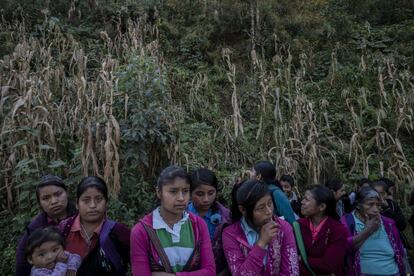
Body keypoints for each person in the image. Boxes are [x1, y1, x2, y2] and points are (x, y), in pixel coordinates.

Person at [130, 166, 215, 275]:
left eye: (185, 191)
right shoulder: (141, 231)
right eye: (173, 191)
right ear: (159, 192)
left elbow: (210, 271)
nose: (181, 198)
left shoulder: (198, 225)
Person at [222, 180, 299, 276]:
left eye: (270, 204)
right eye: (261, 208)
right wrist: (261, 244)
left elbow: (291, 272)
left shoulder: (283, 228)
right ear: (243, 210)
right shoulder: (230, 234)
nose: (269, 211)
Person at [59, 176, 130, 276]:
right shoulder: (64, 228)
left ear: (106, 203)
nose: (92, 205)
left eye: (99, 199)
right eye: (86, 200)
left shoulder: (118, 231)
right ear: (77, 204)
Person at [16, 175, 77, 276]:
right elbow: (22, 261)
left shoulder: (81, 216)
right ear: (40, 203)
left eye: (58, 194)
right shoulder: (35, 227)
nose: (54, 201)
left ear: (67, 193)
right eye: (46, 198)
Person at [341, 187, 405, 276]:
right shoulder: (347, 222)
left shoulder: (389, 223)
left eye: (378, 205)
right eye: (370, 204)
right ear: (359, 205)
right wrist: (368, 230)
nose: (375, 209)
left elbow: (400, 251)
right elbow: (342, 248)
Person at [187, 168, 231, 275]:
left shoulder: (226, 218)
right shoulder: (181, 216)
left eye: (211, 193)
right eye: (200, 194)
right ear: (190, 193)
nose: (206, 199)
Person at [298, 185, 348, 276]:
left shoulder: (338, 230)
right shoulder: (297, 226)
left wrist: (302, 259)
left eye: (306, 199)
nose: (302, 202)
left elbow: (329, 265)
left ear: (321, 206)